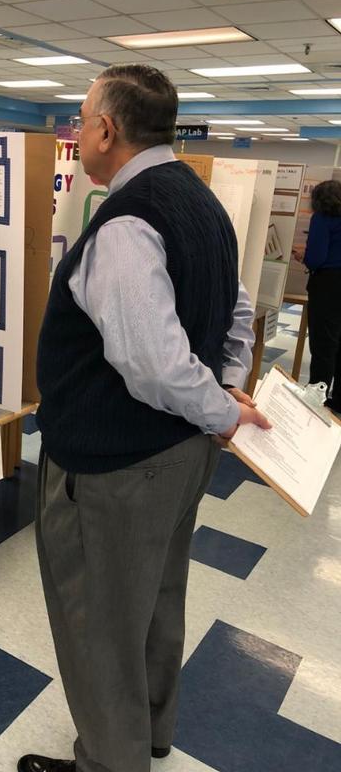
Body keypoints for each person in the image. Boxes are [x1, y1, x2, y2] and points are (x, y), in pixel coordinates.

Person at [19, 64, 271, 772]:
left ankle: (110, 763)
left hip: (117, 465)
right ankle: (150, 735)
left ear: (107, 128)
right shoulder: (198, 199)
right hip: (179, 454)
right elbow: (239, 305)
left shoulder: (128, 223)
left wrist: (221, 408)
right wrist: (225, 387)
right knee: (156, 598)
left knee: (98, 622)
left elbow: (153, 364)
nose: (77, 128)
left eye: (81, 115)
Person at [292, 180, 341, 413]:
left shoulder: (322, 218)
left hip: (328, 286)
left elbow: (317, 258)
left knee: (323, 344)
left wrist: (304, 256)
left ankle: (315, 398)